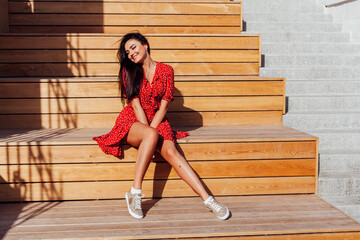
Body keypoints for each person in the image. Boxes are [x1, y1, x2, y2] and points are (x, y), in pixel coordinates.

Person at [93, 32, 230, 220]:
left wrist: (154, 130)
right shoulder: (129, 72)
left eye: (133, 47)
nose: (131, 53)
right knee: (150, 135)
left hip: (158, 118)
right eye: (128, 52)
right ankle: (135, 192)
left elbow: (164, 107)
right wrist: (150, 132)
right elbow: (135, 105)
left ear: (145, 45)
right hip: (133, 121)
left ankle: (209, 200)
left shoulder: (166, 71)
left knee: (173, 153)